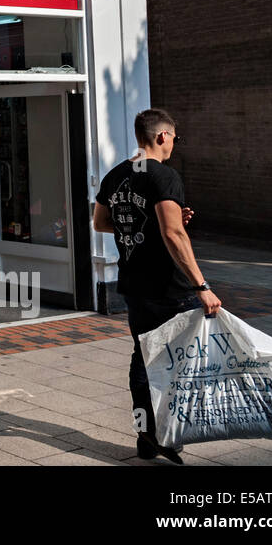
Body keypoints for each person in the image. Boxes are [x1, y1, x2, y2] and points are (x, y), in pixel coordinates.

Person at [92, 107, 221, 465]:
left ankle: (146, 436)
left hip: (134, 284)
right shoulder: (164, 176)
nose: (174, 145)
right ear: (163, 136)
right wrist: (202, 285)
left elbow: (102, 222)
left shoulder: (117, 174)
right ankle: (167, 434)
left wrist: (150, 222)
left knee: (143, 356)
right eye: (175, 139)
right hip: (171, 289)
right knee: (181, 362)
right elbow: (173, 233)